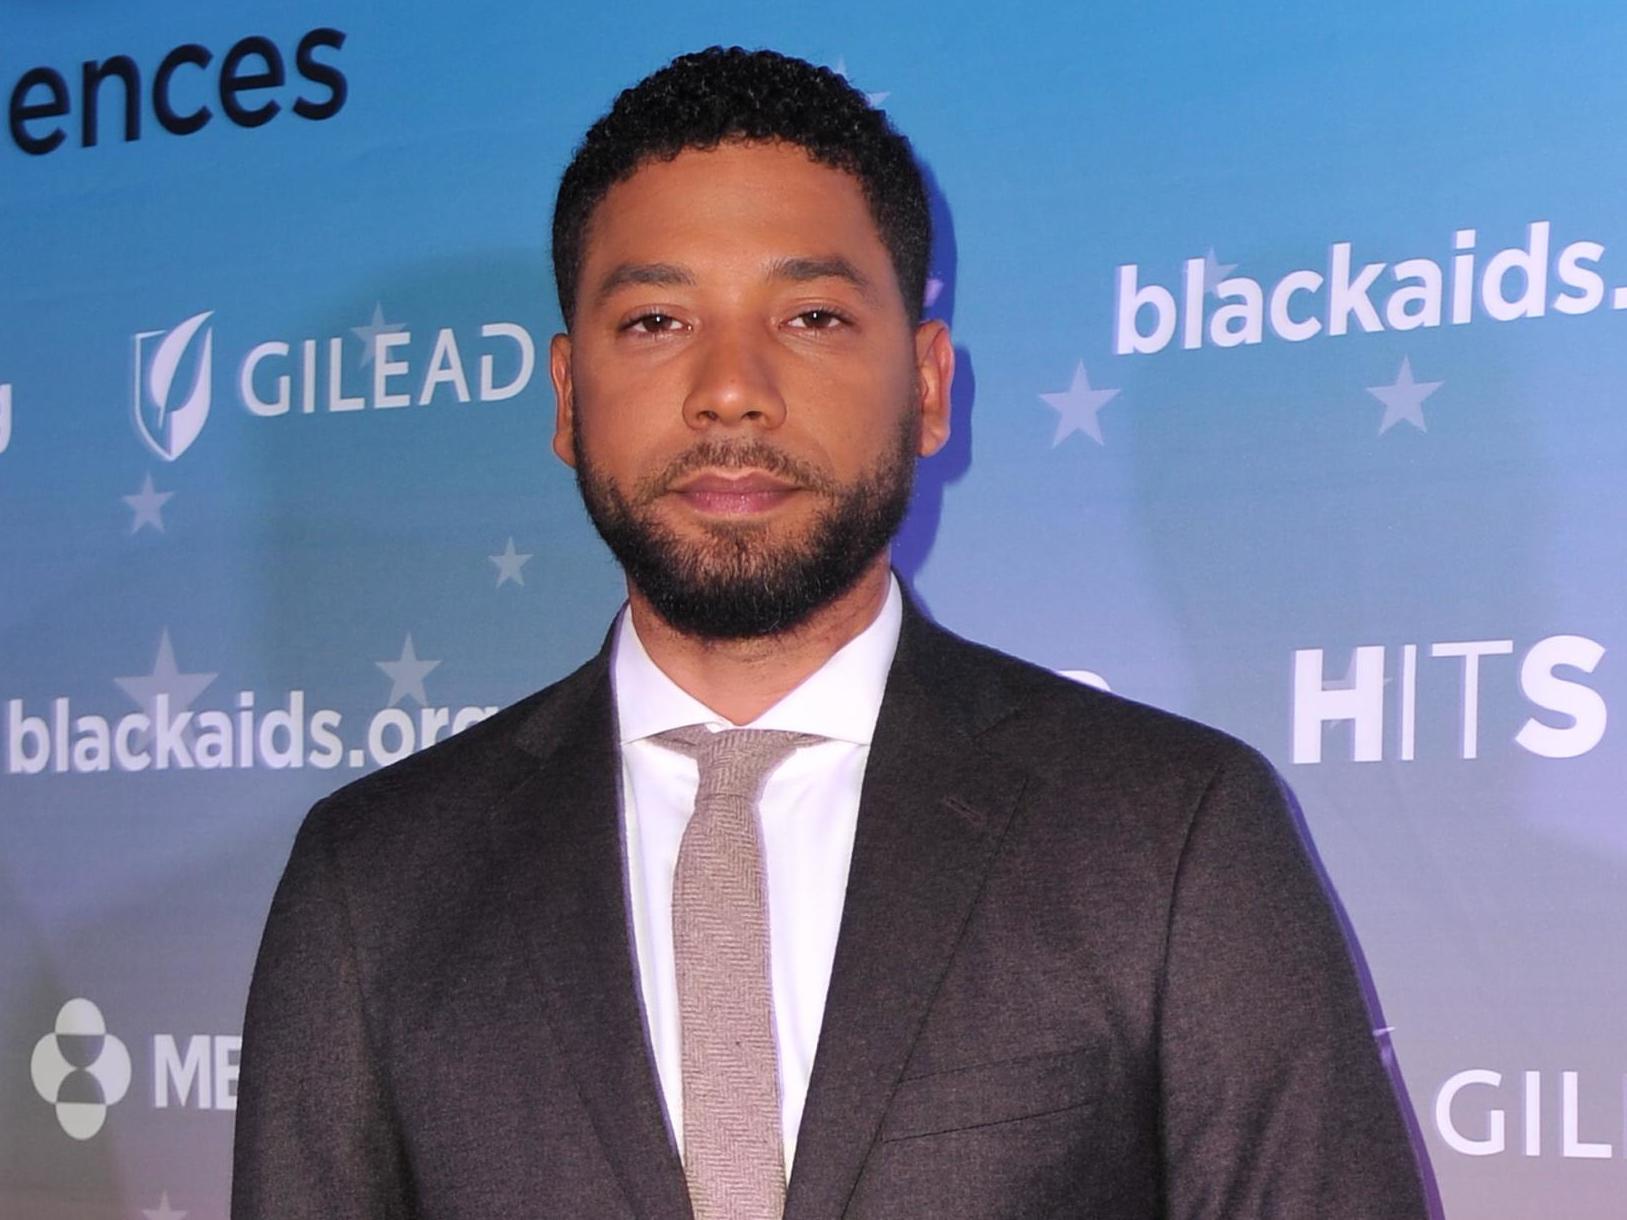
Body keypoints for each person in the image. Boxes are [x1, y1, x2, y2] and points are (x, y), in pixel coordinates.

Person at [232, 46, 1431, 1220]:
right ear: (563, 396)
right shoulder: (375, 883)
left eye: (808, 313)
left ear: (926, 387)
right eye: (655, 320)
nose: (731, 388)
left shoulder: (1168, 832)